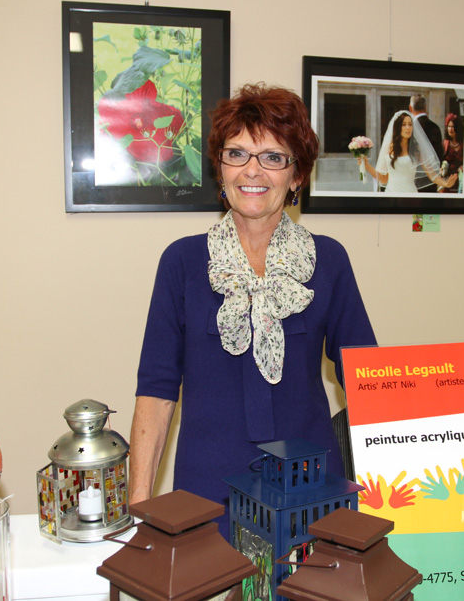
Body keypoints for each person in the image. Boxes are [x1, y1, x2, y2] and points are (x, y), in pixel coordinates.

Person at [128, 83, 377, 538]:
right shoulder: (182, 263)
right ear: (219, 169)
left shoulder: (330, 260)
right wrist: (140, 508)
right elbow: (157, 390)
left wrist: (410, 463)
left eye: (273, 156)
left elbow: (366, 379)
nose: (252, 171)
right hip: (207, 488)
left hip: (309, 488)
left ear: (296, 175)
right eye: (237, 154)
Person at [357, 111, 457, 193]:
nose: (408, 127)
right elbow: (383, 179)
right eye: (404, 125)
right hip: (391, 194)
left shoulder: (416, 149)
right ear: (398, 127)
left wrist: (446, 183)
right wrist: (367, 166)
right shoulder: (390, 147)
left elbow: (433, 175)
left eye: (410, 124)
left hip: (410, 195)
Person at [409, 94, 443, 192]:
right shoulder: (435, 127)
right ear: (425, 107)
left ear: (410, 108)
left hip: (412, 181)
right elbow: (439, 155)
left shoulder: (408, 129)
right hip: (431, 181)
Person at [440, 113, 464, 194]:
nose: (450, 129)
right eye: (449, 126)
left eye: (453, 126)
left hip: (461, 182)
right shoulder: (444, 144)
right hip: (447, 182)